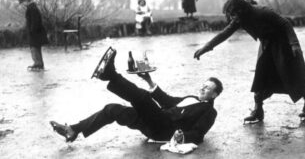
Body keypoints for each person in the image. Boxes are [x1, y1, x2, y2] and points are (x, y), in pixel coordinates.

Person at [50, 49, 223, 144]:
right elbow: (167, 100)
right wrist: (149, 80)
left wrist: (181, 137)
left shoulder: (209, 111)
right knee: (112, 109)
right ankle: (72, 130)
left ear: (214, 94)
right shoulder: (191, 97)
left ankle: (110, 74)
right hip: (152, 123)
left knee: (143, 98)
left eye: (207, 88)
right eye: (203, 85)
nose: (202, 88)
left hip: (164, 127)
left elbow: (199, 134)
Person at [194, 0, 305, 123]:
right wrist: (206, 48)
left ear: (241, 11)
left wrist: (294, 44)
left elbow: (285, 23)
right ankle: (258, 110)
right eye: (230, 15)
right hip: (266, 45)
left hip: (283, 44)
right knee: (261, 78)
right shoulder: (239, 19)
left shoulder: (262, 12)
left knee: (295, 75)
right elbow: (224, 34)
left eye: (233, 14)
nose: (232, 18)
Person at [18, 0, 48, 70]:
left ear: (26, 1)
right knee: (35, 48)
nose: (22, 4)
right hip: (35, 33)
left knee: (34, 48)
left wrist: (32, 31)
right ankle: (38, 63)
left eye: (23, 2)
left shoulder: (32, 8)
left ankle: (38, 64)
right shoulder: (32, 8)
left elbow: (35, 21)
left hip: (35, 33)